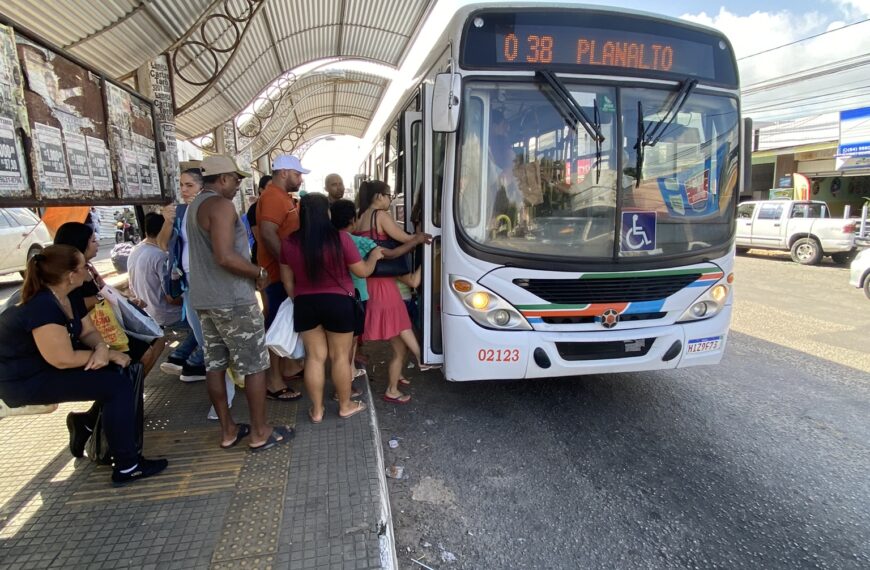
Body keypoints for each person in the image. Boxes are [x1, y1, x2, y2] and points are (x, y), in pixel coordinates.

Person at [0, 245, 167, 485]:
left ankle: (88, 425)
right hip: (22, 380)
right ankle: (127, 465)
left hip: (44, 368)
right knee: (115, 385)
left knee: (118, 375)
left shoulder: (68, 296)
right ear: (70, 275)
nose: (89, 271)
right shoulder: (43, 305)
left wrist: (101, 349)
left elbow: (88, 330)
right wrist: (108, 355)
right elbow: (61, 358)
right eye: (83, 268)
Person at [187, 154, 292, 451]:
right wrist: (258, 272)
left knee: (216, 365)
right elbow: (225, 255)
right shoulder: (220, 206)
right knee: (255, 366)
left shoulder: (194, 205)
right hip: (232, 300)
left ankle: (228, 430)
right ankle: (260, 432)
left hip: (205, 299)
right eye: (235, 179)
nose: (237, 185)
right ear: (222, 178)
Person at [281, 193, 383, 423]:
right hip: (338, 303)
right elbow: (362, 272)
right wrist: (374, 257)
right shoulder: (341, 239)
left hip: (305, 304)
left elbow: (288, 281)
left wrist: (300, 299)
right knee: (339, 357)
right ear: (327, 213)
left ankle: (317, 411)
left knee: (315, 358)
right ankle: (345, 406)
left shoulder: (289, 242)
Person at [355, 181, 437, 404]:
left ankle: (395, 386)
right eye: (388, 195)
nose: (390, 199)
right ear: (378, 196)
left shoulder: (360, 216)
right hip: (383, 283)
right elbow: (404, 239)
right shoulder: (380, 215)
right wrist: (423, 237)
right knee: (401, 324)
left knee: (399, 340)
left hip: (370, 281)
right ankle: (423, 357)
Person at [330, 199, 426, 379]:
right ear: (352, 220)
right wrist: (418, 242)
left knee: (341, 349)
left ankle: (346, 383)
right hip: (358, 293)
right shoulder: (357, 240)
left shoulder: (326, 240)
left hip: (336, 295)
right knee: (398, 325)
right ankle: (420, 358)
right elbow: (390, 255)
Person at [54, 222, 162, 378]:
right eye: (92, 241)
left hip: (107, 323)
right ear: (80, 244)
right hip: (96, 329)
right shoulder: (71, 275)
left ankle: (131, 389)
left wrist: (127, 300)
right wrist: (100, 298)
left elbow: (104, 288)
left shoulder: (88, 267)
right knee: (145, 353)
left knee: (158, 339)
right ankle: (128, 390)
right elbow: (74, 306)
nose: (97, 243)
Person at [256, 155, 308, 400]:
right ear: (285, 172)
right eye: (298, 174)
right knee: (276, 327)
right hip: (276, 275)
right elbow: (268, 233)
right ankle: (273, 382)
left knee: (281, 323)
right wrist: (289, 265)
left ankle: (284, 369)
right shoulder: (274, 198)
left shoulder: (281, 197)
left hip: (279, 273)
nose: (301, 179)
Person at [127, 213, 199, 380]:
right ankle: (181, 358)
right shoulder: (160, 256)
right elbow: (171, 298)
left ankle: (180, 357)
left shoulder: (135, 251)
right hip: (165, 314)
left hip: (147, 312)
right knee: (205, 322)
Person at [246, 175, 271, 264]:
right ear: (261, 190)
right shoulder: (254, 209)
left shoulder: (273, 206)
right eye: (269, 187)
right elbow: (259, 238)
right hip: (262, 257)